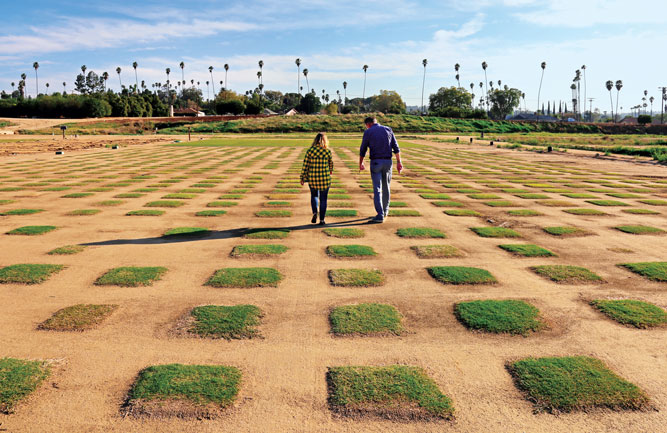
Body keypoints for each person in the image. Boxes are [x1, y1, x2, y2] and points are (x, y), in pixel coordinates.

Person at [359, 116, 402, 223]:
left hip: (376, 162)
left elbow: (363, 149)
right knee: (386, 187)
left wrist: (361, 163)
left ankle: (380, 214)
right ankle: (385, 210)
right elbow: (396, 147)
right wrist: (399, 162)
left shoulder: (368, 132)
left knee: (377, 189)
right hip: (388, 162)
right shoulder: (388, 129)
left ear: (368, 124)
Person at [300, 132, 334, 225]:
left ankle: (315, 212)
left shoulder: (310, 151)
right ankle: (322, 220)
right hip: (324, 178)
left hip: (313, 177)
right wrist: (330, 170)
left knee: (314, 195)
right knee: (323, 199)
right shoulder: (327, 151)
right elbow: (331, 163)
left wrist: (302, 177)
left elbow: (306, 165)